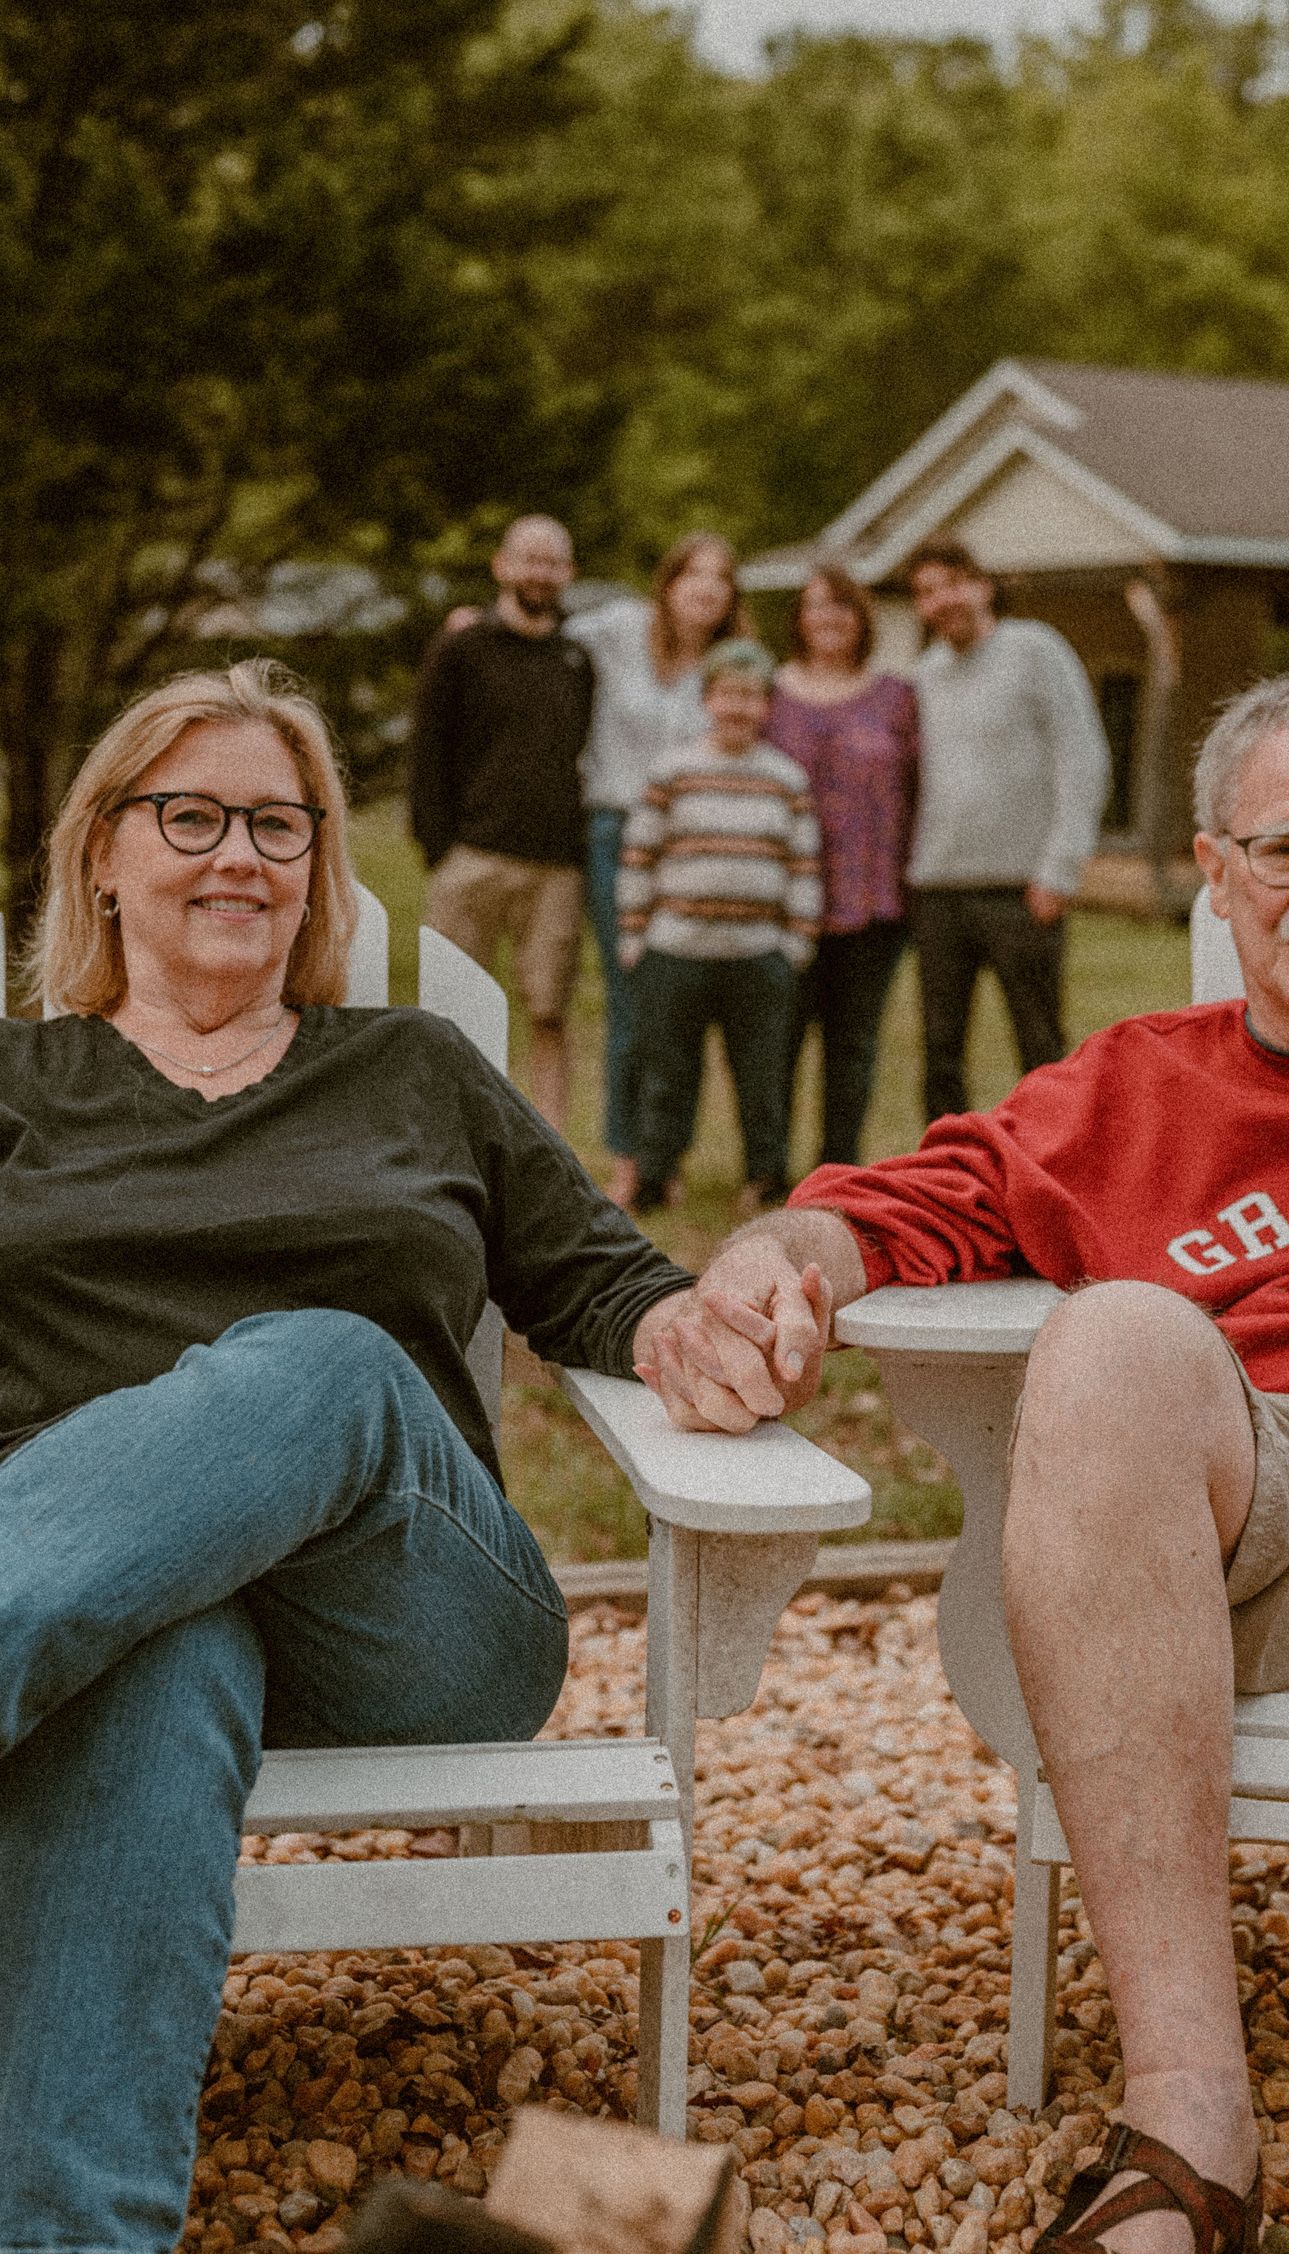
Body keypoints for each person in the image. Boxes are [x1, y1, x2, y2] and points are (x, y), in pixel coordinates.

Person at [636, 667, 1289, 2254]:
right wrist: (762, 1267)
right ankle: (1189, 2116)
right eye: (1286, 846)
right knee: (1108, 1338)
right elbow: (876, 1210)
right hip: (1254, 1529)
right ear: (1214, 867)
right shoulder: (1126, 1090)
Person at [0, 658, 714, 2254]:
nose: (238, 853)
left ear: (321, 864)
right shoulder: (16, 1087)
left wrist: (685, 1334)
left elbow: (601, 1277)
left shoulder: (411, 1068)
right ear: (102, 852)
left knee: (321, 1361)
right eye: (191, 814)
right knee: (160, 1636)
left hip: (406, 1611)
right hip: (96, 1611)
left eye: (280, 822)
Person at [566, 534, 746, 1205]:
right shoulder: (617, 631)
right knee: (632, 998)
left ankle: (666, 1158)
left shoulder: (728, 667)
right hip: (617, 831)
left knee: (682, 1001)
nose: (707, 588)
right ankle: (626, 1159)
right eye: (693, 575)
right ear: (666, 584)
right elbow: (541, 627)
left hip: (697, 842)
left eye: (721, 578)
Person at [905, 535, 1110, 1110]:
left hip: (1022, 887)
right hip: (938, 888)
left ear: (980, 585)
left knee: (1038, 1043)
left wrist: (1062, 865)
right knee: (940, 1049)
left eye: (951, 583)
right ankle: (942, 1179)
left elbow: (1082, 755)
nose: (941, 600)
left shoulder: (1035, 650)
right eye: (926, 592)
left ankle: (1052, 1166)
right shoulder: (924, 676)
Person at [617, 639, 821, 1217]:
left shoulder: (786, 779)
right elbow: (639, 858)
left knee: (762, 1076)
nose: (737, 707)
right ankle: (657, 1177)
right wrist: (634, 936)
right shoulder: (672, 772)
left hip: (758, 956)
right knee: (667, 1073)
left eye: (750, 697)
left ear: (766, 707)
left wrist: (796, 944)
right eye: (727, 694)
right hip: (675, 950)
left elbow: (803, 866)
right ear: (708, 699)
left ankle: (765, 1178)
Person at [408, 514, 594, 1132]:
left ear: (567, 573)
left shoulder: (576, 659)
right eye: (529, 559)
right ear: (502, 565)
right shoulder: (461, 649)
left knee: (549, 1013)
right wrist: (439, 848)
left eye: (553, 561)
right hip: (473, 857)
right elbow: (427, 750)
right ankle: (450, 1135)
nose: (540, 573)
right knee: (453, 1010)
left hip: (555, 866)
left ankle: (549, 1146)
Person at [767, 565, 920, 1167]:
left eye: (842, 607)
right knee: (778, 1040)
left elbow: (919, 788)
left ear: (861, 619)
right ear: (799, 619)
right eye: (816, 607)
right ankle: (769, 1167)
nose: (829, 618)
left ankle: (837, 1166)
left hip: (873, 898)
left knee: (852, 1043)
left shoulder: (896, 697)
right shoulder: (769, 695)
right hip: (784, 897)